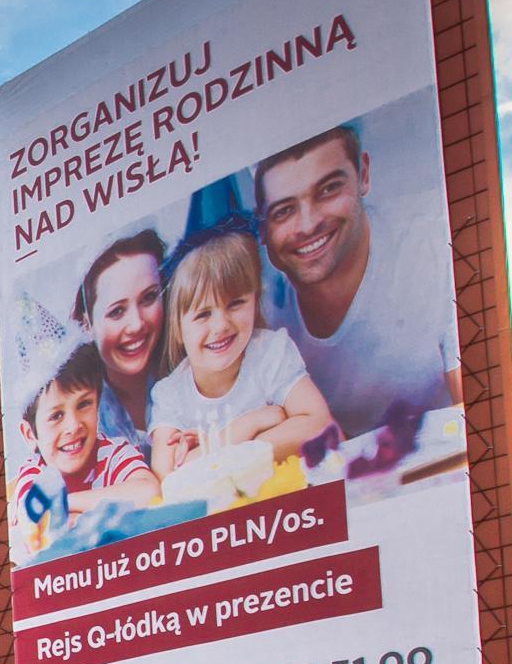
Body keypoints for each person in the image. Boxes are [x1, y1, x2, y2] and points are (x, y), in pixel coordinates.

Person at [254, 122, 461, 431]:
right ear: (262, 229)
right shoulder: (257, 306)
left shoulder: (433, 248)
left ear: (363, 174)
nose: (308, 225)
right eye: (284, 211)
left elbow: (482, 418)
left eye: (328, 190)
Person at [148, 227, 335, 475]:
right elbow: (167, 474)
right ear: (178, 331)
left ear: (254, 302)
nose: (221, 325)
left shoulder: (269, 352)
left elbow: (320, 426)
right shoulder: (170, 393)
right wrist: (246, 426)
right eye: (203, 314)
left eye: (235, 304)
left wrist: (212, 453)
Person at [12, 343, 155, 523]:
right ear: (30, 435)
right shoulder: (35, 472)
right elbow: (36, 518)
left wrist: (63, 503)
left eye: (84, 404)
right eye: (56, 416)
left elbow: (149, 493)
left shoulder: (113, 453)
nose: (73, 426)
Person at [68, 230, 168, 449]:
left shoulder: (193, 370)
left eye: (149, 297)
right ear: (87, 324)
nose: (137, 324)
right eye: (116, 311)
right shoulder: (75, 416)